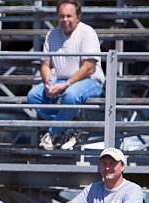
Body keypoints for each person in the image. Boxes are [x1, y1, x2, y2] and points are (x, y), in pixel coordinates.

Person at [26, 0, 105, 151]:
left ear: (78, 16)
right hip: (60, 79)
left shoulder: (87, 32)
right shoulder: (52, 34)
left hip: (90, 80)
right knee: (33, 96)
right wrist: (48, 82)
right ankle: (69, 126)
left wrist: (66, 84)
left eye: (69, 16)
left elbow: (89, 67)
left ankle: (53, 133)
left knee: (70, 95)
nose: (65, 20)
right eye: (61, 16)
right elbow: (45, 65)